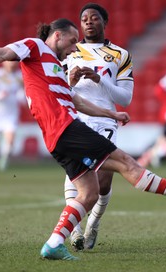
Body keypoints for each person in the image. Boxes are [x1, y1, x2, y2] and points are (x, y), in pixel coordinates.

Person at [0, 18, 166, 261]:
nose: (75, 46)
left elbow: (76, 100)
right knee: (124, 162)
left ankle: (54, 244)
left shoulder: (55, 68)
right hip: (66, 128)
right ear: (58, 35)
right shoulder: (34, 47)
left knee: (88, 193)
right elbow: (2, 53)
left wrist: (112, 113)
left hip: (57, 137)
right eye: (72, 40)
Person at [63, 3, 134, 251]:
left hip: (105, 119)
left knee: (102, 179)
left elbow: (125, 99)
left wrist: (99, 79)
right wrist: (69, 82)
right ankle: (76, 231)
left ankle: (94, 221)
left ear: (105, 22)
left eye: (94, 18)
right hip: (75, 118)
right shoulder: (68, 53)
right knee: (76, 174)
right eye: (84, 19)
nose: (88, 22)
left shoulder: (120, 55)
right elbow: (57, 92)